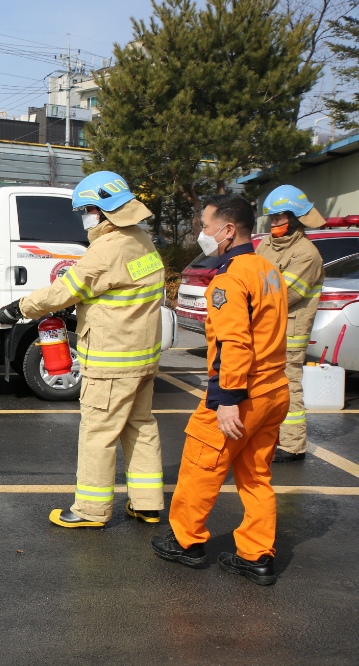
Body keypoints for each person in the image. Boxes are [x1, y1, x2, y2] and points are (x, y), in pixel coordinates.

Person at [0, 171, 165, 529]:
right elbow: (116, 292)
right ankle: (148, 503)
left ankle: (91, 510)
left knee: (98, 434)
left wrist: (18, 310)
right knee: (141, 426)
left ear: (102, 210)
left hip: (111, 360)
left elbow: (65, 289)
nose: (85, 217)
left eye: (87, 210)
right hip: (143, 357)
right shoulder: (141, 241)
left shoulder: (108, 247)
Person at [151, 194, 289, 586]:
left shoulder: (229, 280)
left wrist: (227, 400)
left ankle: (186, 542)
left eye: (207, 227)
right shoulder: (268, 269)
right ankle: (257, 554)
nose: (202, 234)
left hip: (241, 392)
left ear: (228, 231)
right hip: (274, 390)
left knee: (200, 467)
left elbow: (233, 344)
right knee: (255, 475)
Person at [256, 185, 325, 463]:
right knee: (263, 385)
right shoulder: (264, 245)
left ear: (295, 218)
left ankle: (293, 445)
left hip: (289, 331)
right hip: (262, 327)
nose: (274, 223)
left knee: (288, 385)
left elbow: (284, 294)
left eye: (280, 218)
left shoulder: (307, 253)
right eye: (271, 218)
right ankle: (268, 437)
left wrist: (249, 295)